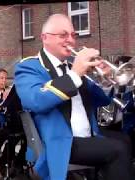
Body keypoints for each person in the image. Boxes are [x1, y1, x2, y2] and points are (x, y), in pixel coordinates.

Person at [14, 14, 132, 180]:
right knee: (118, 149)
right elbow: (35, 101)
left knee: (126, 140)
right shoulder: (29, 67)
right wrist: (75, 74)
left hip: (87, 136)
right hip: (60, 142)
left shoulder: (72, 68)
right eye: (63, 35)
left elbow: (101, 100)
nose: (70, 40)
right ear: (44, 38)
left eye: (73, 35)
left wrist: (105, 79)